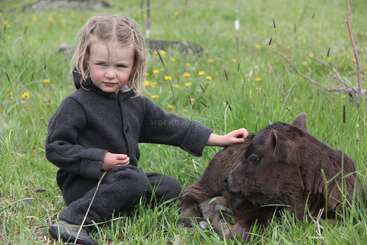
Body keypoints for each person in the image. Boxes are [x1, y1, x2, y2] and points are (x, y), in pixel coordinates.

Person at [46, 15, 248, 245]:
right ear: (86, 61)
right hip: (84, 184)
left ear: (134, 67)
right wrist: (100, 159)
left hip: (123, 179)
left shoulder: (135, 103)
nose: (110, 74)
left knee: (169, 187)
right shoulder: (77, 104)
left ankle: (117, 209)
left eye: (120, 66)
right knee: (134, 180)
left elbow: (171, 126)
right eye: (101, 65)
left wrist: (220, 139)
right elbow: (55, 148)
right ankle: (74, 221)